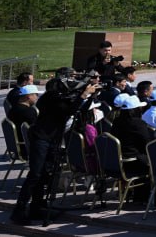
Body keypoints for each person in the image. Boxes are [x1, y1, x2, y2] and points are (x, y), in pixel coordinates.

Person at [11, 71, 99, 225]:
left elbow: (78, 109)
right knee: (35, 174)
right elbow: (69, 110)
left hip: (52, 139)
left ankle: (37, 206)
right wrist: (83, 95)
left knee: (45, 173)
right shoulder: (51, 98)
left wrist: (89, 97)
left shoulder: (58, 98)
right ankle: (19, 210)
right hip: (41, 138)